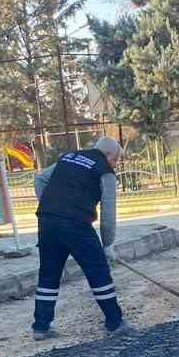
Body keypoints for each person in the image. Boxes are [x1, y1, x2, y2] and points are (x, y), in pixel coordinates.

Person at [30, 136, 127, 340]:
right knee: (98, 270)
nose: (115, 165)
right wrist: (108, 244)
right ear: (108, 154)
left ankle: (41, 326)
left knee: (49, 273)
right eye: (116, 160)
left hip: (47, 221)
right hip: (76, 224)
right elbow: (109, 212)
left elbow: (40, 179)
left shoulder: (68, 157)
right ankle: (115, 322)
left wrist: (53, 205)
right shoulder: (105, 171)